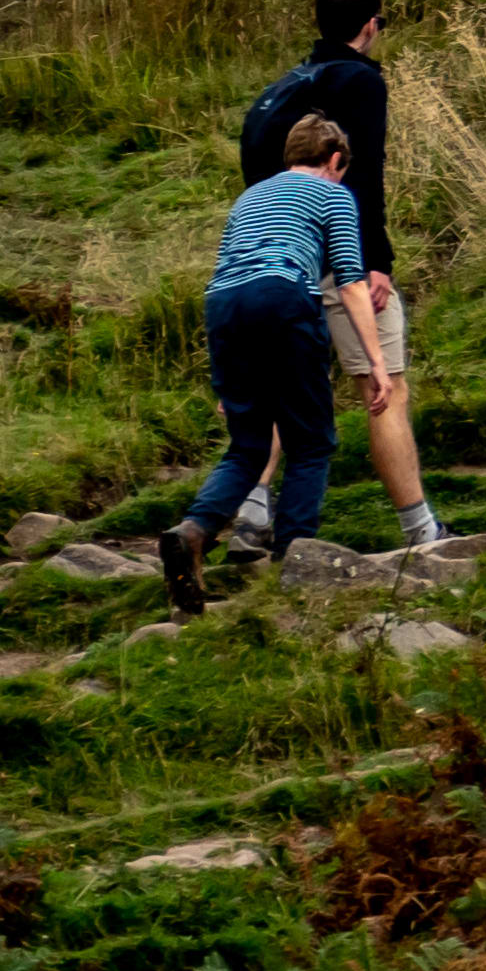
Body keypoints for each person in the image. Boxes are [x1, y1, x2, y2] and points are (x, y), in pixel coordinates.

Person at [237, 0, 440, 551]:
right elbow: (365, 175)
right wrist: (375, 262)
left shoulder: (286, 87)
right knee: (385, 387)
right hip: (339, 260)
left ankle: (251, 516)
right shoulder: (359, 83)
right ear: (371, 26)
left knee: (281, 390)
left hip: (272, 261)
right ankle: (420, 530)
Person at [163, 113, 390, 610]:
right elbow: (351, 280)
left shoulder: (249, 197)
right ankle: (295, 564)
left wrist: (229, 384)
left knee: (248, 447)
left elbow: (229, 272)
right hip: (284, 296)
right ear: (335, 160)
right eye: (342, 168)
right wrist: (375, 361)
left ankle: (194, 532)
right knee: (311, 442)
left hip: (223, 308)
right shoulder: (334, 194)